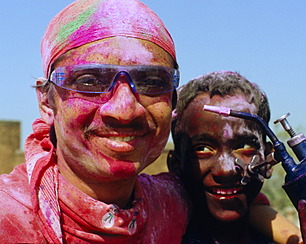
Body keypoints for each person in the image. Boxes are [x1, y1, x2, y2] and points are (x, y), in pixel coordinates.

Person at [0, 0, 189, 243]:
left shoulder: (175, 205)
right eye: (90, 81)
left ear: (172, 101)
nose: (124, 111)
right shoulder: (9, 218)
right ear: (47, 102)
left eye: (151, 82)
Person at [168, 71, 306, 244]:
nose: (227, 169)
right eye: (203, 149)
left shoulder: (269, 234)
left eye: (244, 147)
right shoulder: (158, 232)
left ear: (268, 162)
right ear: (175, 164)